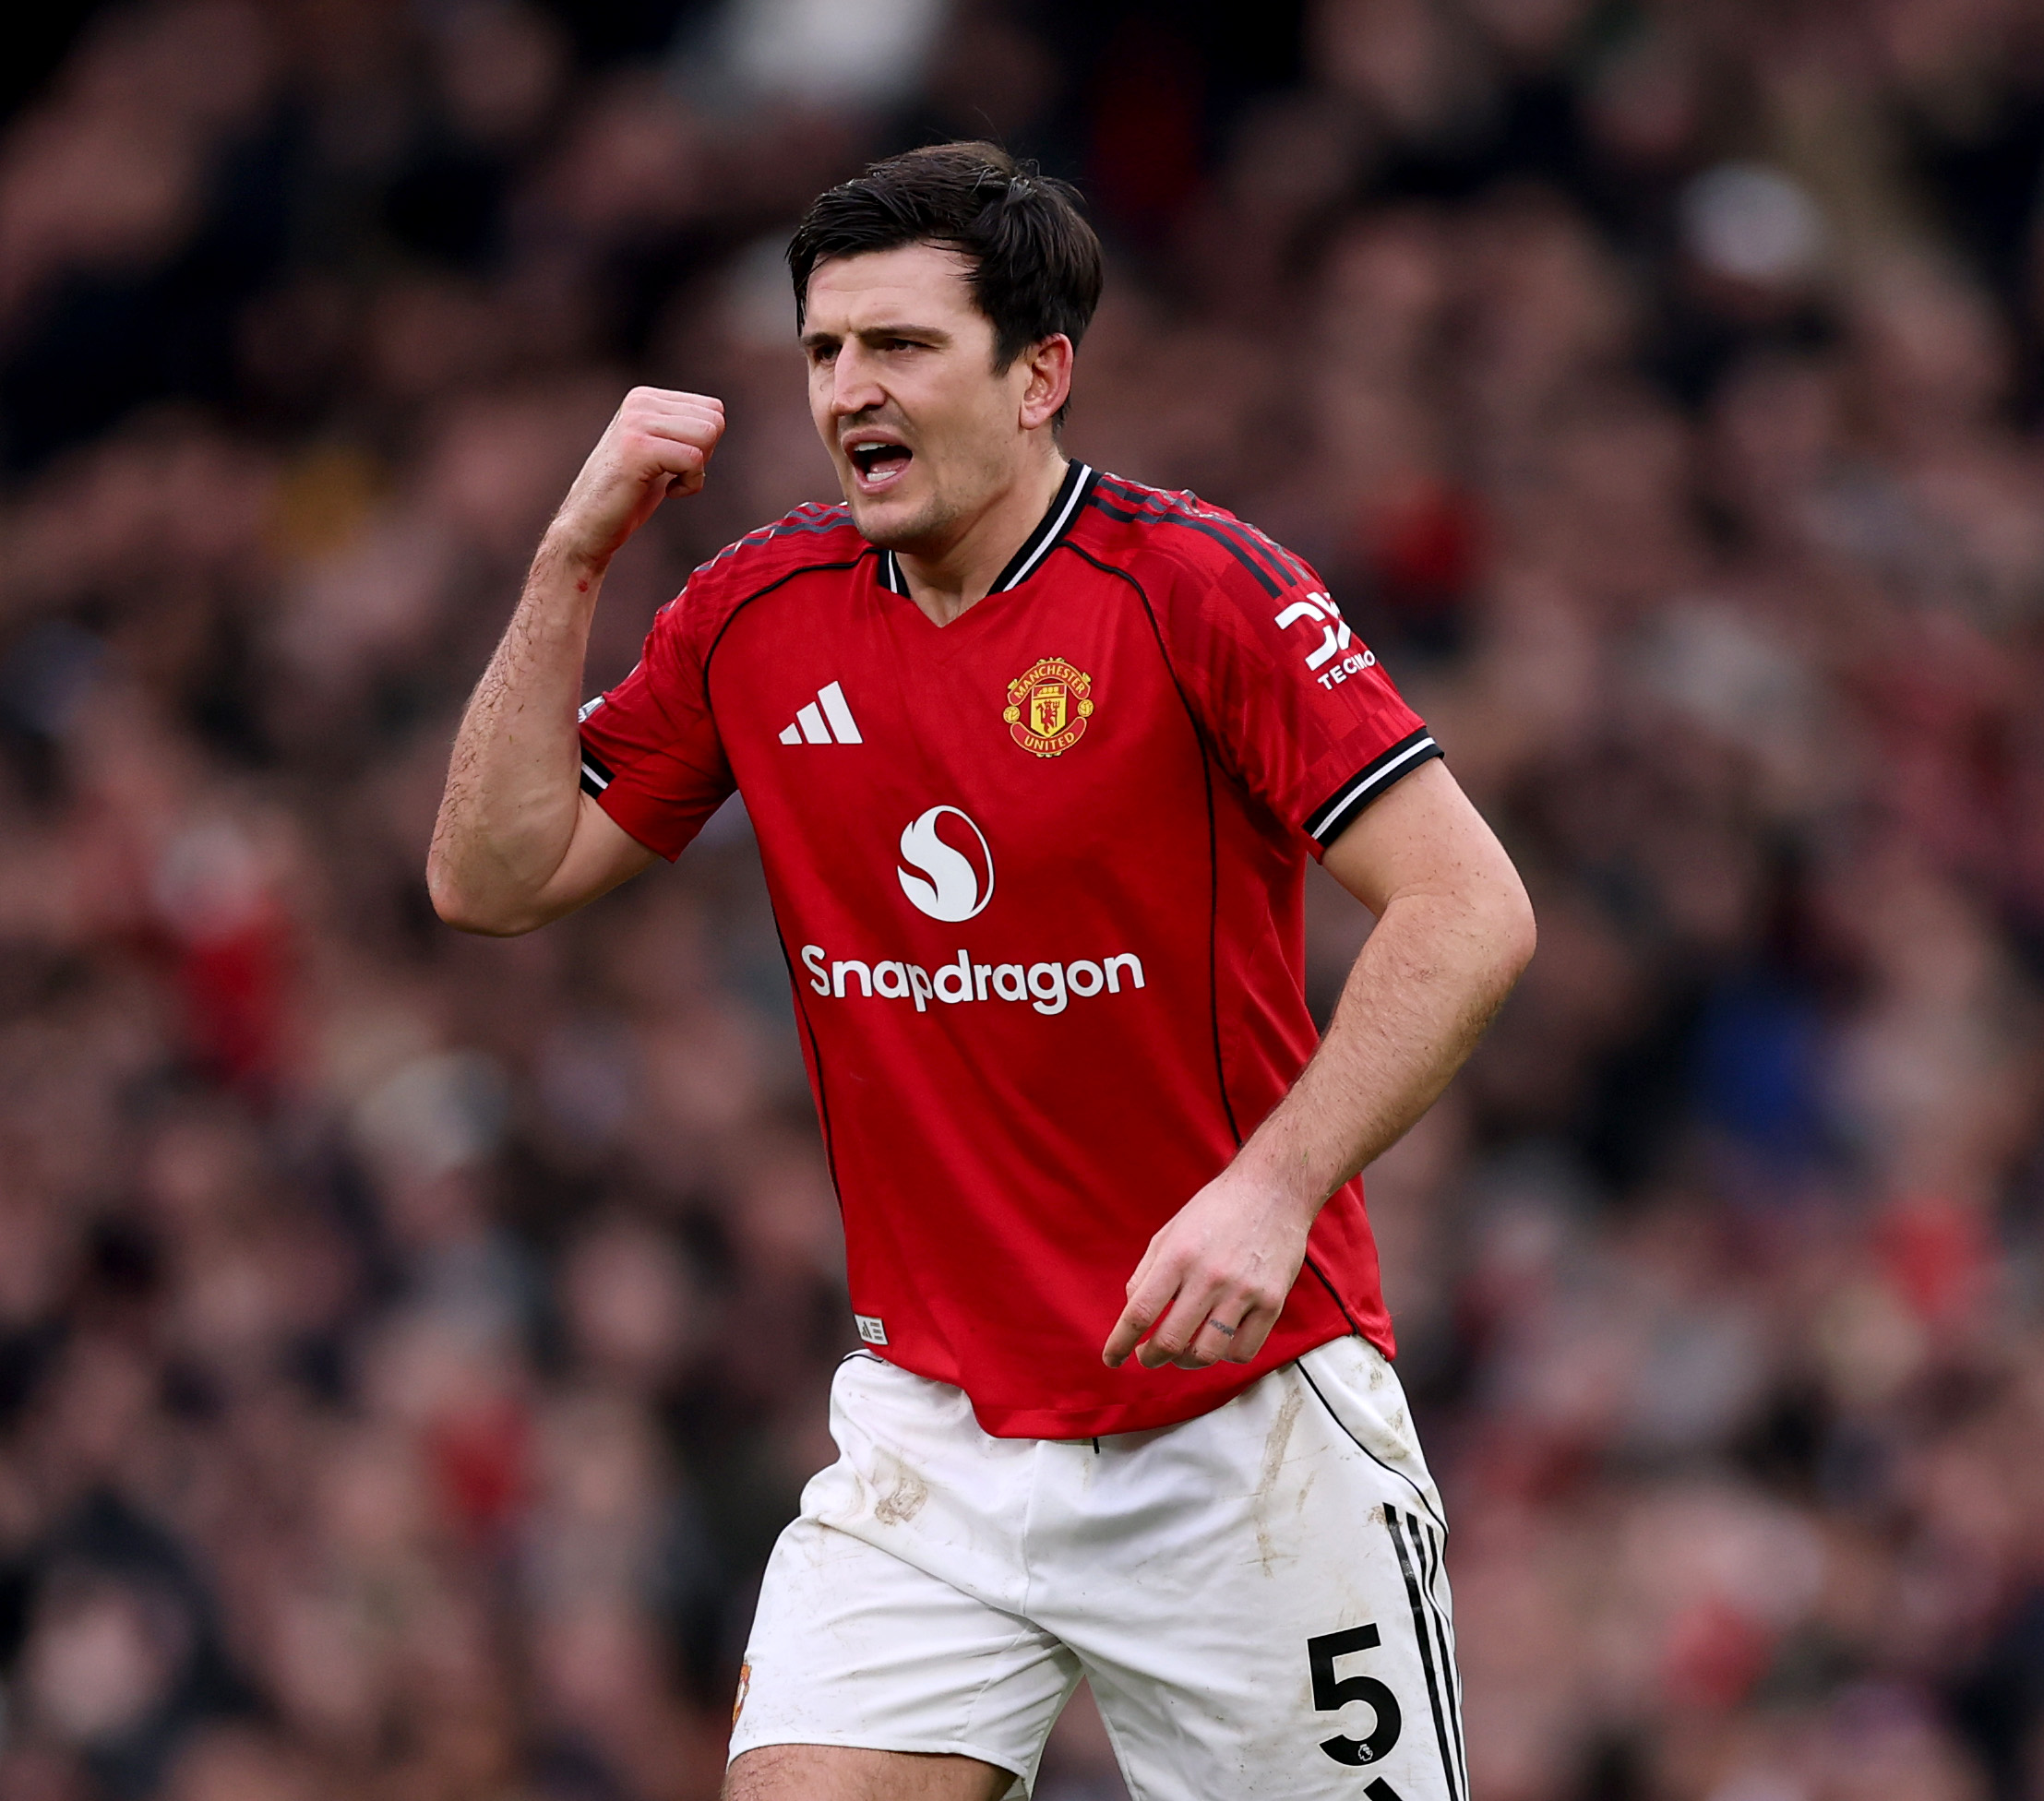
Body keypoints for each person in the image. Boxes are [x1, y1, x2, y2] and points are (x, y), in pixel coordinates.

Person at [427, 140, 1535, 1801]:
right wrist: (570, 564)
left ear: (1040, 376)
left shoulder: (1193, 592)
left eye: (901, 347)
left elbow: (1470, 906)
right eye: (822, 351)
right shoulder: (756, 612)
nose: (847, 390)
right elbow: (489, 880)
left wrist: (1273, 1185)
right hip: (931, 1438)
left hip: (1239, 1428)